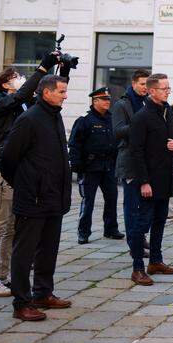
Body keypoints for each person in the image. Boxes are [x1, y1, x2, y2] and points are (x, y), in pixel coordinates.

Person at [0, 53, 60, 297]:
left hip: (19, 176)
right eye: (16, 78)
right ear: (5, 84)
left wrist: (60, 70)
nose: (21, 80)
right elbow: (23, 94)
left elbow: (48, 95)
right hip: (2, 175)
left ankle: (4, 277)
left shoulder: (25, 104)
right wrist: (43, 68)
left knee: (12, 230)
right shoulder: (0, 104)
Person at [1, 75, 73, 322]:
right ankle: (21, 302)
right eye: (61, 91)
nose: (65, 95)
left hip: (54, 196)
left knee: (48, 249)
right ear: (46, 93)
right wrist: (26, 184)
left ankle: (43, 293)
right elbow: (9, 158)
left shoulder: (55, 115)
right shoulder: (29, 119)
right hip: (32, 198)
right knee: (24, 252)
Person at [123, 73, 173, 286]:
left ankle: (156, 261)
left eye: (168, 88)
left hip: (166, 178)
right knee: (140, 225)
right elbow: (136, 152)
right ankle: (137, 268)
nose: (168, 91)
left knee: (160, 222)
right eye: (164, 88)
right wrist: (143, 181)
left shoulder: (168, 112)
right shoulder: (141, 117)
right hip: (148, 181)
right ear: (152, 91)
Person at [69, 87, 123, 245]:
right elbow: (74, 144)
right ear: (95, 101)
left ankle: (111, 229)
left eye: (108, 100)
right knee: (88, 201)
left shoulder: (112, 119)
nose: (107, 102)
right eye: (104, 99)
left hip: (108, 166)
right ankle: (83, 232)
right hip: (90, 166)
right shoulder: (85, 120)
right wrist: (77, 165)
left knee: (112, 198)